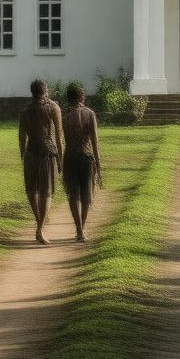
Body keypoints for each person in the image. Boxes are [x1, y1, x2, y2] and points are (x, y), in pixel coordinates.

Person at [19, 79, 63, 244]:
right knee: (47, 192)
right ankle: (40, 228)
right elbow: (59, 135)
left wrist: (22, 155)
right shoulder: (53, 107)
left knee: (32, 191)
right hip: (47, 153)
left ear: (32, 92)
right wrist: (60, 157)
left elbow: (22, 137)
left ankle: (39, 224)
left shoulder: (25, 111)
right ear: (45, 91)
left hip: (31, 153)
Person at [62, 82, 101, 242]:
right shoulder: (89, 114)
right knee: (87, 196)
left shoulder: (63, 114)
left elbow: (58, 137)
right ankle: (81, 229)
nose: (84, 97)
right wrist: (99, 164)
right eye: (83, 95)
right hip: (86, 158)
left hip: (70, 157)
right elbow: (95, 141)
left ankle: (79, 228)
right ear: (80, 97)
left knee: (73, 195)